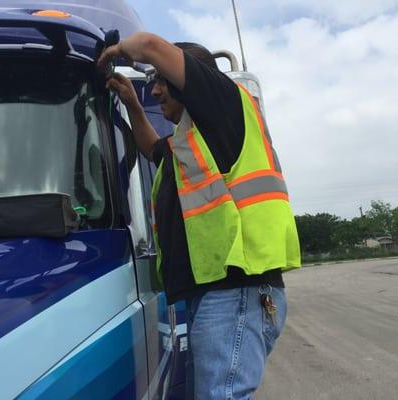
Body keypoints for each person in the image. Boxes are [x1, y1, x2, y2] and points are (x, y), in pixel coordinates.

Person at [97, 32, 301, 400]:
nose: (156, 91)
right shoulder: (189, 144)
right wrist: (132, 105)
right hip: (216, 292)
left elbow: (150, 46)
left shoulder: (222, 103)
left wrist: (116, 50)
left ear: (188, 81)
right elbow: (149, 148)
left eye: (160, 80)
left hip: (237, 288)